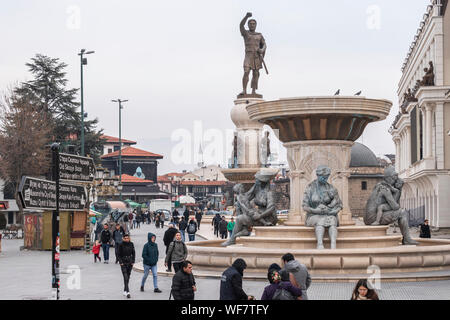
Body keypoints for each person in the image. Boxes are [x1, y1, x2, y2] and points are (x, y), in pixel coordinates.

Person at [117, 234, 135, 298]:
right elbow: (118, 254)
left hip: (130, 262)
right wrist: (120, 262)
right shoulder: (121, 245)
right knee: (125, 276)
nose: (127, 239)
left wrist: (133, 261)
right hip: (123, 262)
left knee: (128, 276)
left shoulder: (131, 244)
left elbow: (133, 253)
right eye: (125, 238)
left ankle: (125, 290)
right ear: (123, 239)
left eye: (128, 238)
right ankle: (128, 292)